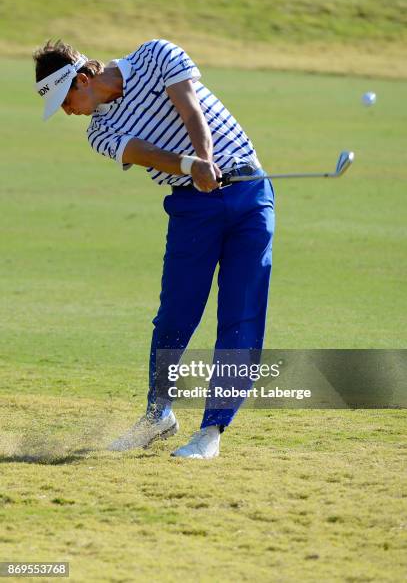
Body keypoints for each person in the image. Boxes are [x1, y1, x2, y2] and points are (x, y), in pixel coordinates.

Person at [33, 38, 275, 459]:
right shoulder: (100, 132)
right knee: (175, 315)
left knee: (241, 314)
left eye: (66, 100)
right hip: (190, 205)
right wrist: (191, 168)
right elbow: (144, 152)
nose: (68, 112)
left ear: (84, 79)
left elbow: (189, 107)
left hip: (249, 192)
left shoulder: (157, 53)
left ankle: (211, 431)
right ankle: (158, 414)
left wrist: (205, 159)